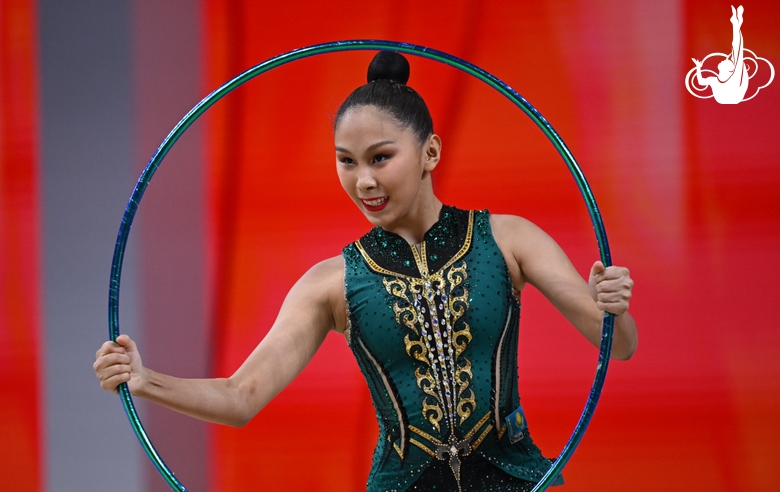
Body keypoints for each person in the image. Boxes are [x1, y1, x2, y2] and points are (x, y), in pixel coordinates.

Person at [94, 51, 637, 492]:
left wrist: (613, 308)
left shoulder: (509, 238)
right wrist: (145, 382)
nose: (363, 182)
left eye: (380, 158)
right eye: (346, 161)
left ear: (430, 151)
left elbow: (620, 345)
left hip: (519, 482)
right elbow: (241, 398)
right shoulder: (330, 284)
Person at [692, 5, 748, 104]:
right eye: (728, 60)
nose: (725, 59)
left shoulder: (733, 77)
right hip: (728, 98)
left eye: (727, 61)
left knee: (737, 50)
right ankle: (736, 23)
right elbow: (701, 82)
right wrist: (698, 67)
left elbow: (737, 49)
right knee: (737, 51)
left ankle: (736, 23)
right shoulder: (716, 80)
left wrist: (736, 25)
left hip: (732, 97)